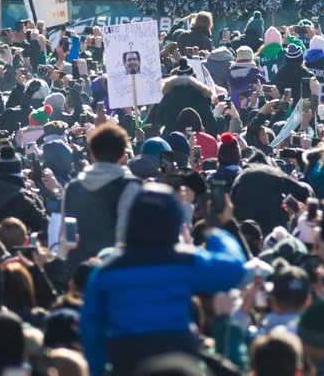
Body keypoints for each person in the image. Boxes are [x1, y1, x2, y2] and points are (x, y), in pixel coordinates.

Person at [79, 182, 248, 373]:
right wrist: (218, 229)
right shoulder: (185, 261)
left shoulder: (106, 272)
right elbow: (234, 268)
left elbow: (90, 328)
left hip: (126, 359)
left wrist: (98, 370)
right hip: (179, 355)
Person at [61, 124, 143, 271]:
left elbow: (66, 235)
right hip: (118, 272)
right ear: (124, 155)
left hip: (79, 273)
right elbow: (128, 235)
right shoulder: (131, 186)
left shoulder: (72, 188)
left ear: (91, 153)